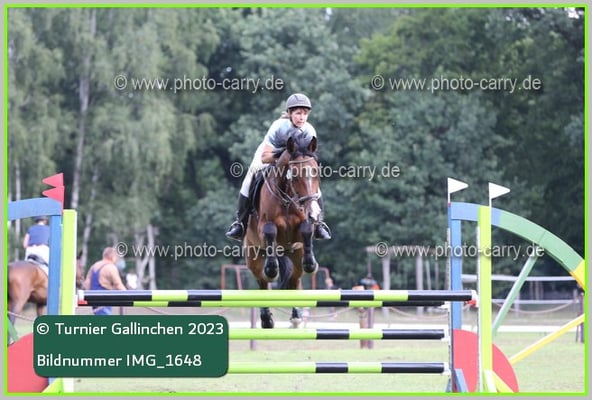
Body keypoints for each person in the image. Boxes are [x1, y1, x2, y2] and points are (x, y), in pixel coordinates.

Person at [225, 93, 331, 241]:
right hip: (270, 156)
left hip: (295, 163)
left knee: (312, 185)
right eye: (298, 113)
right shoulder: (279, 126)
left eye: (305, 113)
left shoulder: (309, 130)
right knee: (248, 179)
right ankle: (240, 223)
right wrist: (283, 155)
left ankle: (319, 224)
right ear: (289, 113)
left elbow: (309, 156)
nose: (302, 117)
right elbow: (265, 157)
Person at [83, 247, 127, 315]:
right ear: (113, 257)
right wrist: (128, 295)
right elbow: (118, 285)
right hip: (104, 301)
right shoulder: (111, 267)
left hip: (94, 302)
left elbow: (87, 284)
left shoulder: (94, 266)